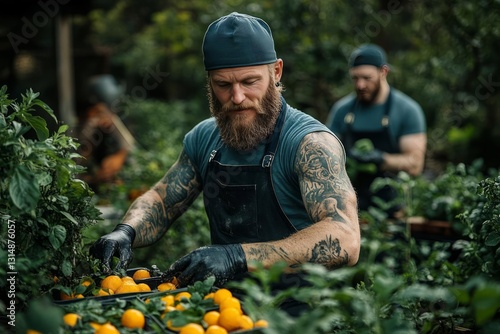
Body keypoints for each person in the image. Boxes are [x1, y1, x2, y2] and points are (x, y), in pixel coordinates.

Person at [89, 12, 360, 316]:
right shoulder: (205, 138)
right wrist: (127, 231)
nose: (237, 96)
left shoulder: (309, 143)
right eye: (223, 84)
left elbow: (345, 238)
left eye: (250, 82)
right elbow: (162, 201)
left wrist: (237, 256)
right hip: (227, 312)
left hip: (300, 314)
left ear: (277, 71)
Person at [326, 44, 427, 217]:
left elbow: (415, 165)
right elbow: (324, 155)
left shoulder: (407, 110)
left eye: (367, 78)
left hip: (393, 210)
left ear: (384, 72)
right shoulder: (342, 111)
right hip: (349, 209)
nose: (360, 85)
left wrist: (380, 159)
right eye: (355, 78)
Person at [75, 75, 135, 193]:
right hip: (93, 183)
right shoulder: (86, 124)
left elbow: (130, 146)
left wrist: (119, 157)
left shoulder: (121, 119)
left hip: (118, 182)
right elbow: (80, 156)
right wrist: (91, 125)